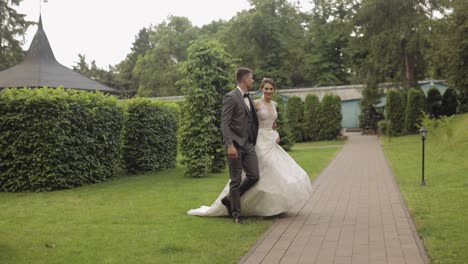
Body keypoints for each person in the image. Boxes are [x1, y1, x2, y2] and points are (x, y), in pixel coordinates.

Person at [187, 77, 312, 218]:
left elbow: (272, 122)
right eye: (266, 88)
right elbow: (248, 121)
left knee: (276, 173)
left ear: (274, 90)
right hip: (259, 141)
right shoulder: (256, 104)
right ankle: (232, 200)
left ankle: (272, 206)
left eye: (271, 89)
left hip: (271, 140)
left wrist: (276, 132)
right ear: (261, 89)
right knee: (262, 170)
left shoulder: (275, 104)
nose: (268, 91)